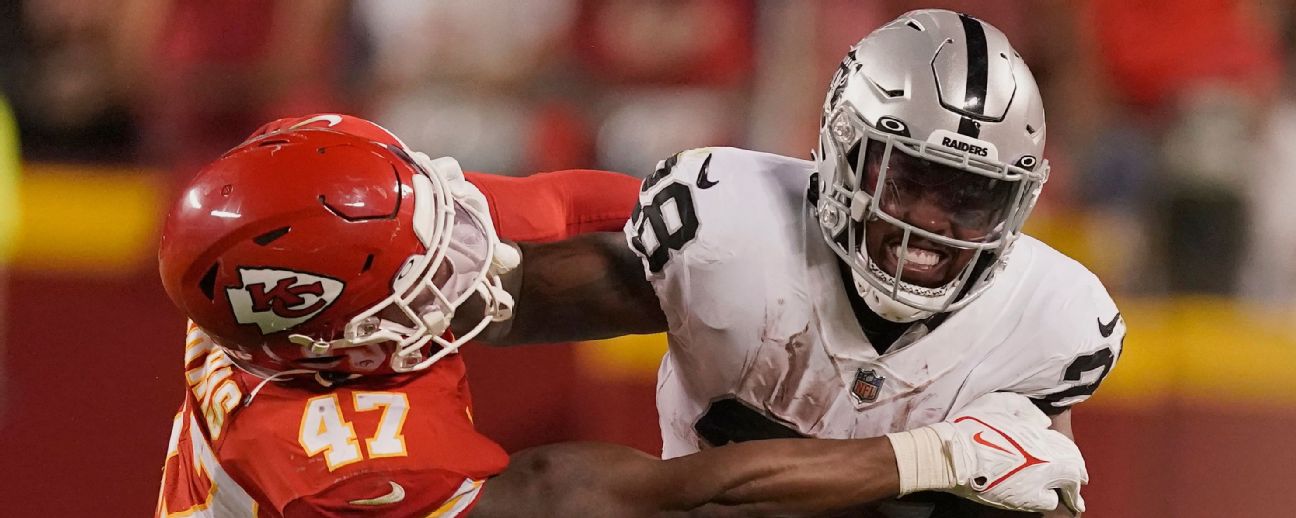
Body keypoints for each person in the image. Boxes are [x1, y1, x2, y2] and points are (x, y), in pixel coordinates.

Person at [154, 118, 1086, 517]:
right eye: (423, 281)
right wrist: (941, 454)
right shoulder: (336, 463)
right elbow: (656, 496)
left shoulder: (305, 255)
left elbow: (558, 209)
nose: (468, 261)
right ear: (337, 343)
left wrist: (781, 224)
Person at [469, 10, 1118, 517]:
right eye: (910, 179)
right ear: (843, 150)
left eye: (971, 197)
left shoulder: (1049, 326)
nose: (931, 221)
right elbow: (495, 309)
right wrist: (937, 456)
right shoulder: (731, 229)